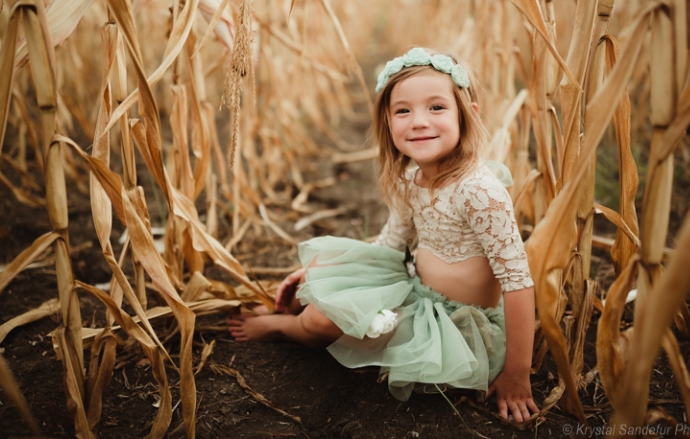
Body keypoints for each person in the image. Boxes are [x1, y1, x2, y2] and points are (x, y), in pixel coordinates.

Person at [227, 47, 540, 423]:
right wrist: (320, 272)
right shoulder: (413, 178)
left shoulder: (480, 192)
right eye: (403, 110)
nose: (419, 121)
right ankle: (290, 306)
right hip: (412, 288)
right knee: (323, 275)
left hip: (455, 323)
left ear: (467, 116)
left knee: (319, 322)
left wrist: (517, 374)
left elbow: (517, 282)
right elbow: (389, 244)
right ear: (388, 123)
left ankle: (284, 327)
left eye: (437, 108)